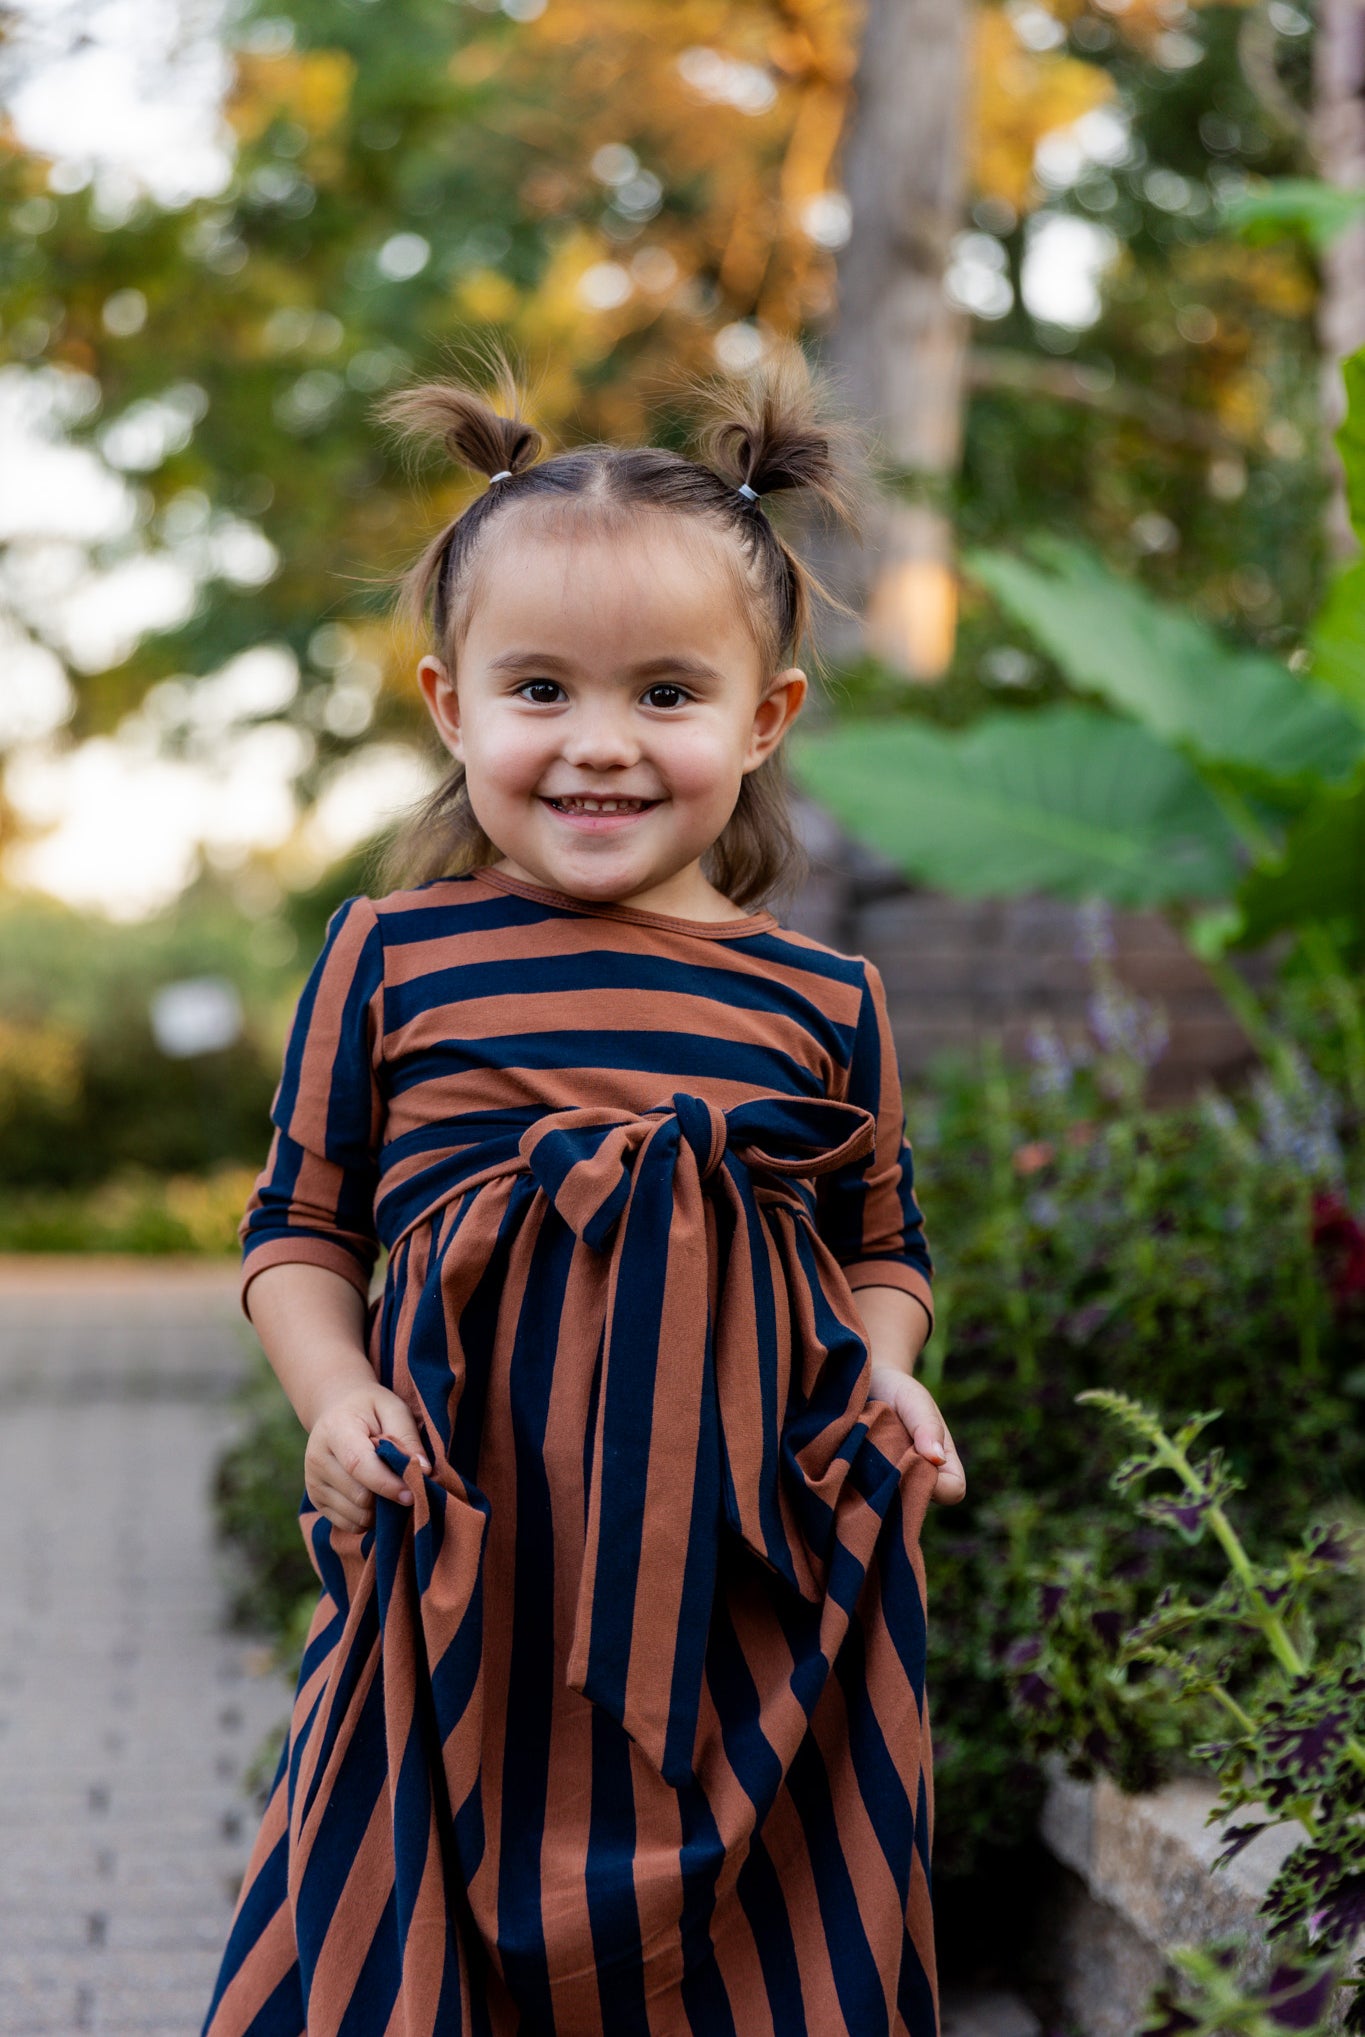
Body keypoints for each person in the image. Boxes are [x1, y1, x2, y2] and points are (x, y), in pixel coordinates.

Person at [202, 344, 965, 2037]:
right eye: (539, 690)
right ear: (448, 702)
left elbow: (879, 1251)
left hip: (752, 1578)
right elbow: (300, 1227)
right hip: (468, 1550)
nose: (598, 747)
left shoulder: (820, 998)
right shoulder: (395, 954)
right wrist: (333, 1400)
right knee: (413, 1935)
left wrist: (889, 1373)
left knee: (761, 1953)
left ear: (762, 720)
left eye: (666, 696)